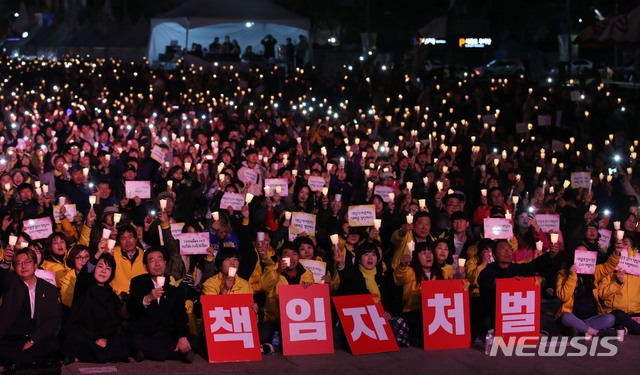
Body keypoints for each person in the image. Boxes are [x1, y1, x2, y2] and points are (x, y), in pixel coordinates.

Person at [61, 240, 129, 363]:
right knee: (72, 336)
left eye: (108, 268)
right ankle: (99, 355)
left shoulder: (112, 296)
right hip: (84, 334)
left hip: (101, 336)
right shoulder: (84, 286)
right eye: (100, 266)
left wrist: (104, 338)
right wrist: (98, 253)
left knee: (121, 340)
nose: (103, 271)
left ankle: (82, 356)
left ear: (112, 274)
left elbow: (113, 321)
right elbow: (84, 273)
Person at [128, 247, 198, 363]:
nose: (157, 264)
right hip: (147, 333)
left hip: (169, 333)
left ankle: (147, 352)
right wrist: (147, 298)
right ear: (145, 267)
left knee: (194, 340)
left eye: (160, 260)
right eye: (152, 261)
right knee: (133, 340)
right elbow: (133, 310)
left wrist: (182, 337)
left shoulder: (174, 283)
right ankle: (178, 353)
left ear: (165, 263)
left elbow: (180, 313)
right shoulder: (137, 282)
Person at [0, 246, 61, 370]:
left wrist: (32, 341)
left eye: (27, 262)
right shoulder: (11, 282)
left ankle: (20, 362)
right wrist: (6, 262)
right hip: (13, 335)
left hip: (36, 336)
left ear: (35, 265)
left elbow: (53, 320)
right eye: (19, 263)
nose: (23, 266)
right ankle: (34, 362)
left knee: (53, 344)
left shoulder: (49, 289)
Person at [556, 242, 622, 336]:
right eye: (579, 254)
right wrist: (572, 276)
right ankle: (595, 332)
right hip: (574, 316)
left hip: (592, 317)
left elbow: (607, 267)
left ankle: (581, 329)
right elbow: (564, 297)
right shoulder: (563, 274)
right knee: (565, 317)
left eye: (586, 254)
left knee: (610, 318)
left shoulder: (593, 271)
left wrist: (616, 253)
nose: (583, 257)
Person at [394, 242, 449, 346]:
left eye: (430, 252)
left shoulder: (440, 274)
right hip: (413, 311)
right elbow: (400, 275)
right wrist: (403, 265)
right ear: (415, 257)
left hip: (435, 313)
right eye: (423, 253)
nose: (428, 255)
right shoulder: (410, 272)